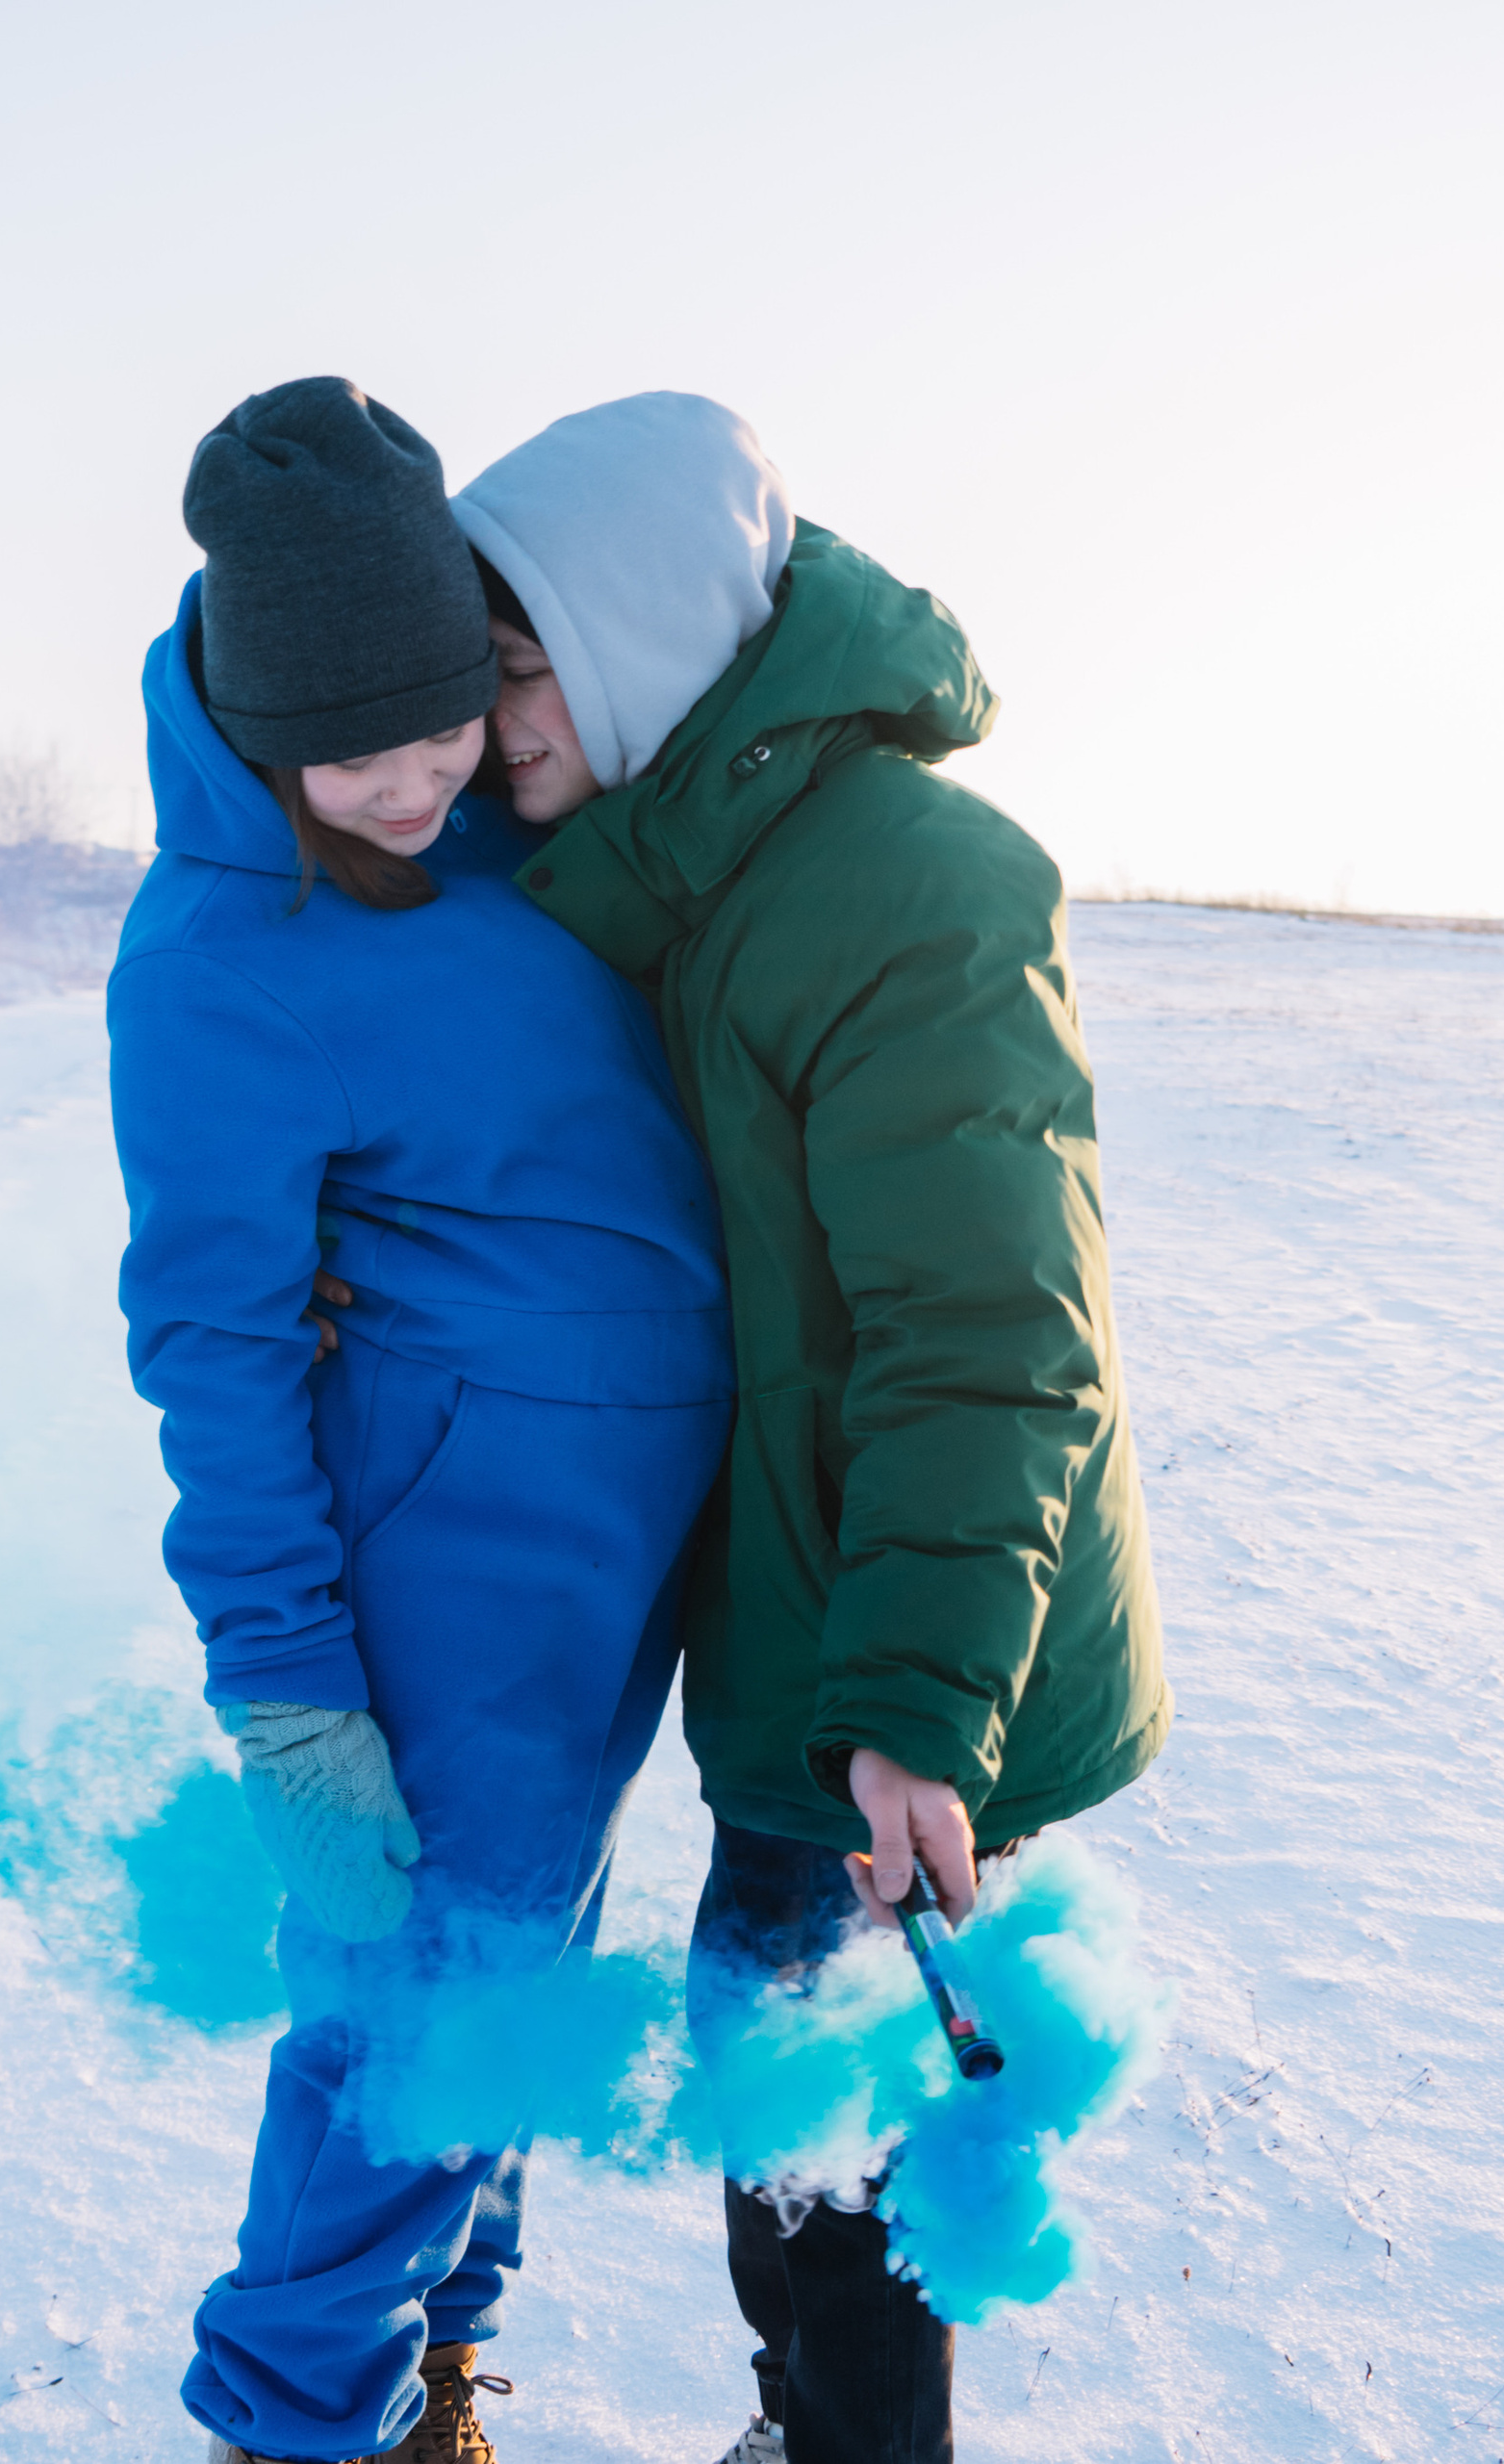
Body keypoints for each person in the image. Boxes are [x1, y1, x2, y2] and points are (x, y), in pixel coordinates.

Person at [449, 393, 1171, 2464]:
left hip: (908, 1648)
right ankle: (807, 2429)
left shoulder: (907, 886)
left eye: (512, 671)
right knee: (767, 2093)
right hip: (809, 1616)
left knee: (836, 2162)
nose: (491, 723)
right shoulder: (691, 878)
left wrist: (923, 1704)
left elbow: (991, 1335)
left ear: (631, 644)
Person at [107, 377, 734, 2464]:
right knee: (409, 2007)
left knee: (513, 1980)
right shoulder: (214, 955)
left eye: (443, 719)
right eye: (352, 746)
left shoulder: (504, 828)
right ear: (263, 720)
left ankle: (434, 2370)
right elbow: (211, 1341)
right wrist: (284, 1685)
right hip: (448, 1562)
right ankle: (292, 2420)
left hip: (603, 1554)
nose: (409, 780)